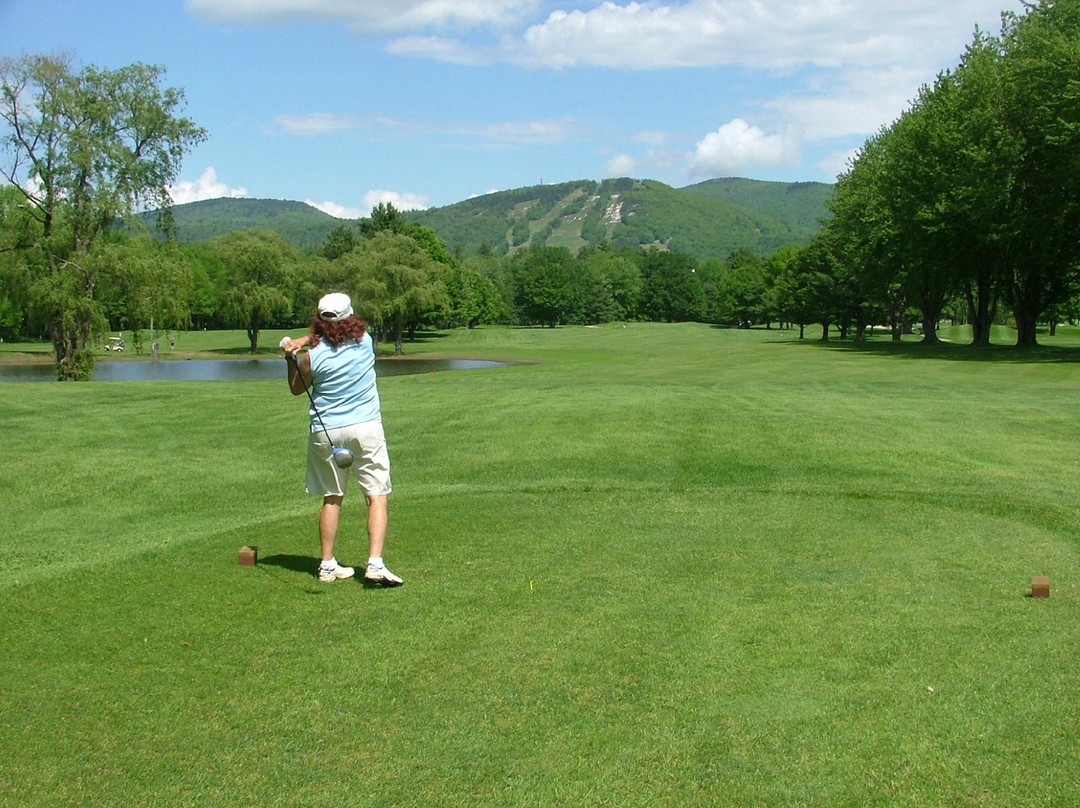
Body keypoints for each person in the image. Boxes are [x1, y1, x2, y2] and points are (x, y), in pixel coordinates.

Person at [281, 292, 402, 587]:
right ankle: (375, 564)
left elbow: (296, 388)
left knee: (332, 498)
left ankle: (326, 565)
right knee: (376, 495)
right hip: (366, 428)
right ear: (351, 317)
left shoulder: (312, 357)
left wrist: (291, 355)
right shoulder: (366, 343)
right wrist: (306, 340)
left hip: (327, 432)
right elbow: (335, 334)